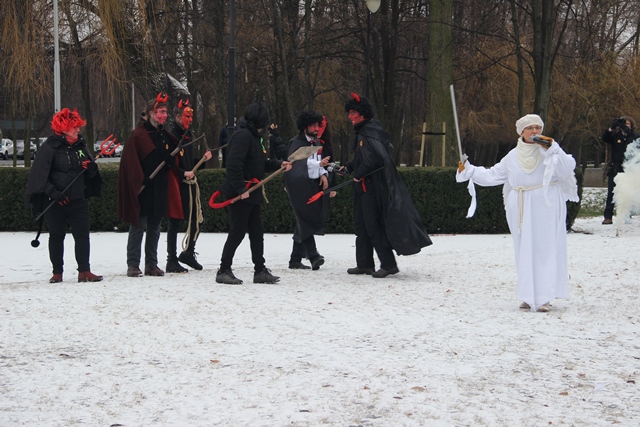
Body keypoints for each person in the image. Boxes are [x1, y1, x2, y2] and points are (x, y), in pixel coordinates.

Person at [456, 114, 579, 312]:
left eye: (538, 127)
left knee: (544, 249)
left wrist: (554, 149)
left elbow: (567, 168)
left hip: (545, 204)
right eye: (530, 128)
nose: (535, 131)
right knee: (524, 249)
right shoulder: (512, 156)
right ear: (522, 132)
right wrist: (469, 170)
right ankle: (528, 295)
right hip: (520, 206)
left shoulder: (549, 151)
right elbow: (492, 175)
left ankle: (544, 297)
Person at [342, 93, 432, 278]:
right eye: (349, 113)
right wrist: (348, 168)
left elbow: (377, 159)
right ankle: (364, 264)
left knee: (373, 226)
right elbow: (362, 158)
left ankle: (388, 264)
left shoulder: (368, 132)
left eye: (353, 113)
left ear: (362, 114)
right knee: (361, 227)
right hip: (363, 188)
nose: (350, 117)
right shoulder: (364, 132)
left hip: (371, 188)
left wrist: (358, 174)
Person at [215, 102, 292, 285]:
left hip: (252, 192)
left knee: (256, 232)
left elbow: (258, 164)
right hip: (242, 192)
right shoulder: (243, 136)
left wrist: (278, 165)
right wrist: (241, 189)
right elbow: (233, 165)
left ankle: (260, 270)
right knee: (237, 232)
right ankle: (224, 269)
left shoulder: (253, 136)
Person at [25, 108, 103, 283]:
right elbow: (40, 175)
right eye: (74, 127)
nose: (78, 130)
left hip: (78, 199)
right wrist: (54, 193)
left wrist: (91, 169)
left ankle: (84, 271)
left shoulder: (80, 146)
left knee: (82, 235)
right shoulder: (49, 147)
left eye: (78, 126)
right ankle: (57, 272)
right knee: (56, 235)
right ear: (63, 128)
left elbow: (89, 171)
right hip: (55, 201)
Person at [117, 93, 182, 278]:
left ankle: (151, 264)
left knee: (155, 226)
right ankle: (133, 264)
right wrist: (140, 178)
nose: (164, 116)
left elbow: (170, 160)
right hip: (143, 188)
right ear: (151, 113)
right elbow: (130, 162)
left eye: (165, 112)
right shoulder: (138, 136)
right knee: (138, 225)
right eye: (160, 112)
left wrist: (170, 162)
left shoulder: (164, 136)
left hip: (159, 187)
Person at [165, 100, 213, 273]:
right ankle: (171, 259)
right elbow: (168, 163)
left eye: (191, 117)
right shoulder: (172, 136)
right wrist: (182, 173)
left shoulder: (188, 135)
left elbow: (189, 162)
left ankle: (188, 252)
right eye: (187, 116)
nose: (190, 120)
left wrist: (203, 160)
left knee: (197, 219)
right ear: (177, 117)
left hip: (189, 184)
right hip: (177, 184)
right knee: (175, 221)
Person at [284, 110, 331, 270]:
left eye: (318, 125)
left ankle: (295, 259)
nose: (316, 128)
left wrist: (323, 174)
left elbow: (318, 161)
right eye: (313, 126)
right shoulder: (296, 142)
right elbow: (298, 164)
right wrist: (319, 165)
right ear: (305, 127)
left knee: (303, 219)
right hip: (300, 185)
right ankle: (313, 255)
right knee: (305, 219)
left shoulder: (316, 142)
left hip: (312, 184)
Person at [601, 116, 636, 225]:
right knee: (611, 193)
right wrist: (611, 128)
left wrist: (627, 133)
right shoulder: (615, 136)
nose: (625, 126)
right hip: (615, 168)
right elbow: (605, 138)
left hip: (628, 168)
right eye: (624, 124)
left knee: (627, 193)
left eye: (628, 124)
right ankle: (608, 216)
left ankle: (626, 215)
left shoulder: (634, 137)